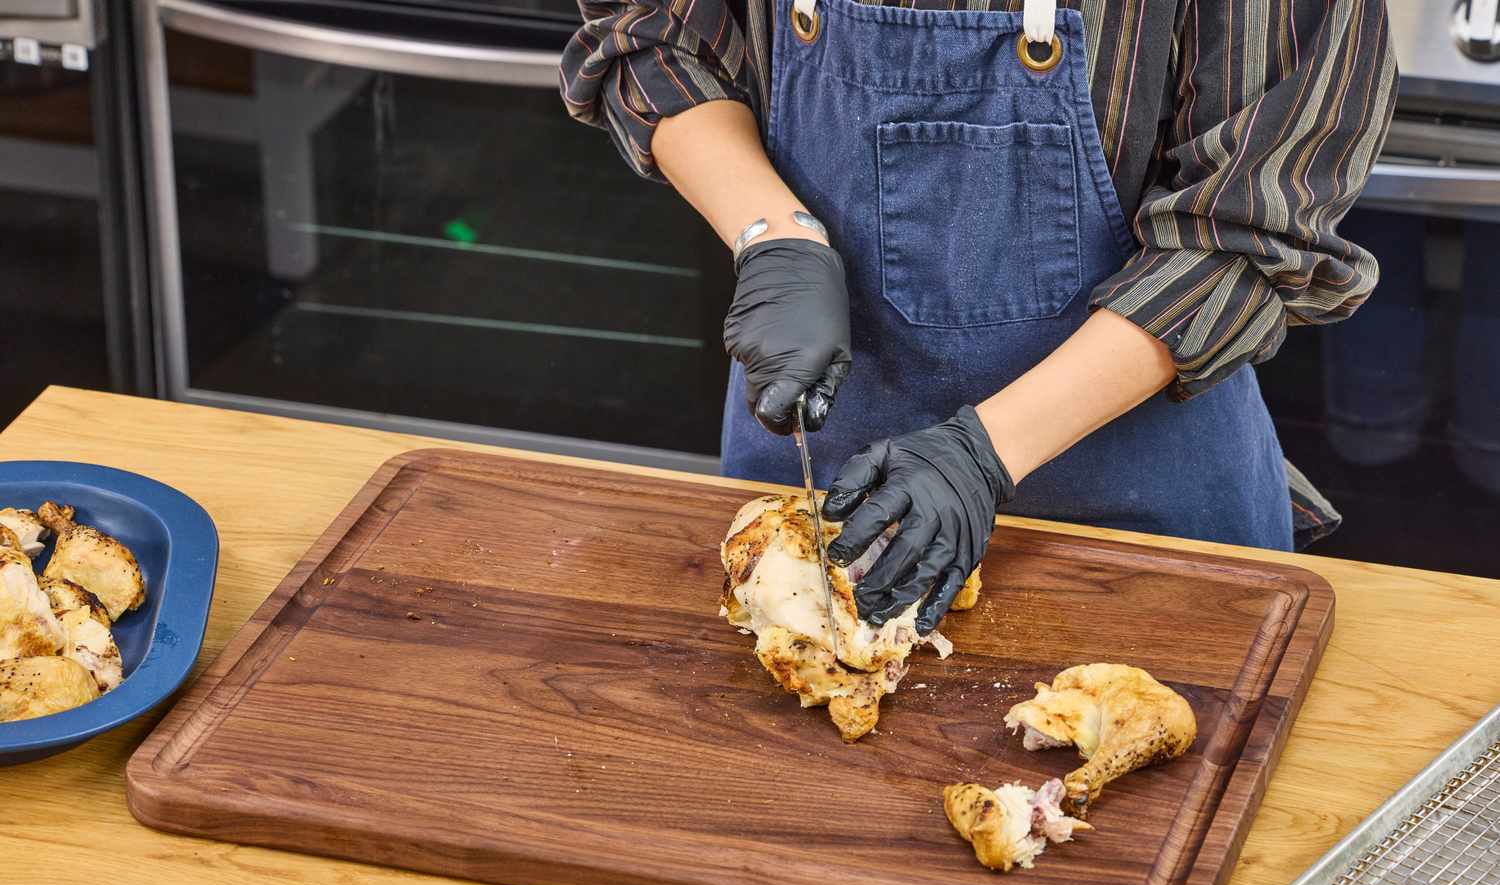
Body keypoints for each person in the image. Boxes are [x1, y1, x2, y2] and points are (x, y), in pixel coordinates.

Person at [561, 0, 1395, 633]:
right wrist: (773, 236)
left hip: (1143, 524)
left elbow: (1250, 226)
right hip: (817, 503)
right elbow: (654, 33)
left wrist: (981, 453)